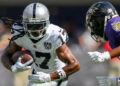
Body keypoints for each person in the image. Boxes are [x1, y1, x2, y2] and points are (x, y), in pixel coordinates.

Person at [1, 2, 80, 86]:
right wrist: (12, 68)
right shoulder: (20, 33)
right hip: (37, 75)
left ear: (47, 24)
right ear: (24, 24)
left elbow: (75, 65)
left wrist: (49, 77)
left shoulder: (54, 35)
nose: (35, 30)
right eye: (31, 25)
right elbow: (5, 56)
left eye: (38, 26)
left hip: (56, 77)